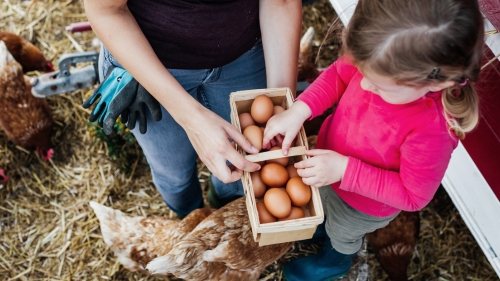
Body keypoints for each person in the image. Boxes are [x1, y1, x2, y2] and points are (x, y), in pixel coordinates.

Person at [262, 0, 484, 279]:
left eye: (378, 86)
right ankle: (320, 226)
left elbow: (413, 197)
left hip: (362, 204)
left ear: (436, 83)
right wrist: (299, 110)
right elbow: (338, 77)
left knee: (342, 233)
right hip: (327, 164)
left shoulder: (433, 131)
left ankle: (335, 261)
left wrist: (344, 170)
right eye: (362, 71)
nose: (364, 84)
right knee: (322, 205)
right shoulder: (378, 55)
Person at [82, 0, 302, 217]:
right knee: (174, 172)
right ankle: (190, 216)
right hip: (149, 65)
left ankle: (224, 205)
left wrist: (278, 106)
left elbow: (280, 2)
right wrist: (191, 119)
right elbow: (106, 11)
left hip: (243, 55)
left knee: (243, 162)